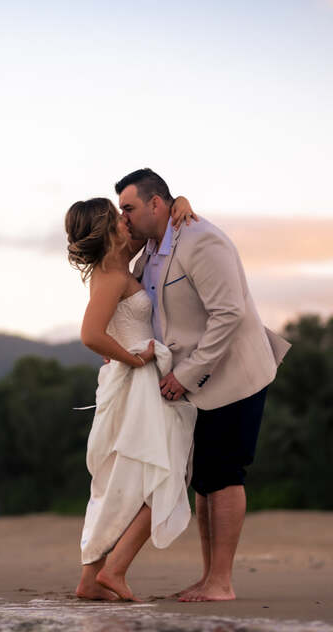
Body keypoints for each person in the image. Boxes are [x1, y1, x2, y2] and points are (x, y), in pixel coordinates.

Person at [116, 168, 290, 602]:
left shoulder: (201, 240)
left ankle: (222, 582)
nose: (125, 217)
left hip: (234, 373)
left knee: (226, 474)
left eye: (129, 208)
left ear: (156, 203)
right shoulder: (154, 246)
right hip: (193, 381)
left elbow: (228, 313)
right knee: (205, 479)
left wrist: (187, 376)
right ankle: (210, 577)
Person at [67, 195, 199, 602]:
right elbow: (91, 334)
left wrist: (178, 201)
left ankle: (92, 579)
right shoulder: (110, 274)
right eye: (119, 217)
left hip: (136, 382)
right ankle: (115, 570)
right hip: (135, 383)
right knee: (163, 474)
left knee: (123, 481)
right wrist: (135, 358)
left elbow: (155, 226)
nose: (128, 221)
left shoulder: (121, 262)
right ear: (108, 230)